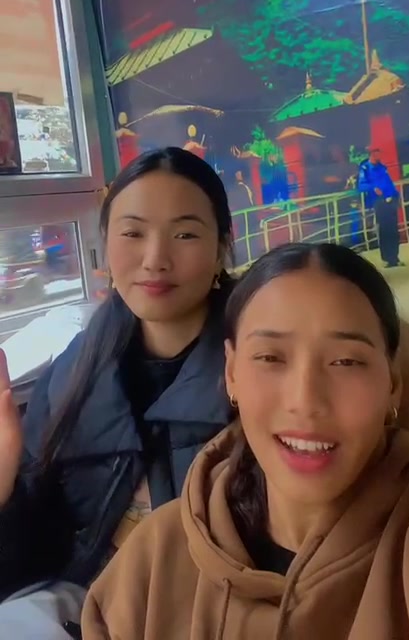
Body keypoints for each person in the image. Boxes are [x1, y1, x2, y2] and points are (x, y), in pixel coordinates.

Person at [80, 241, 409, 640]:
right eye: (270, 358)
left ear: (393, 384)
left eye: (346, 361)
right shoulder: (153, 559)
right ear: (231, 373)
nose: (305, 401)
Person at [0, 147, 235, 639]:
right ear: (104, 245)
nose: (155, 260)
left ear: (220, 250)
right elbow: (33, 554)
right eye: (132, 233)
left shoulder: (260, 369)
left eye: (185, 234)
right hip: (89, 605)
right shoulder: (75, 372)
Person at [357, 147, 402, 268]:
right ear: (371, 154)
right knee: (384, 230)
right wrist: (373, 188)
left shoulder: (382, 167)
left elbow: (389, 183)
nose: (379, 155)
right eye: (376, 153)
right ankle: (387, 258)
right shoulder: (365, 168)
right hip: (379, 201)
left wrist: (396, 195)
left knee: (393, 230)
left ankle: (395, 257)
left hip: (390, 200)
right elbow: (361, 185)